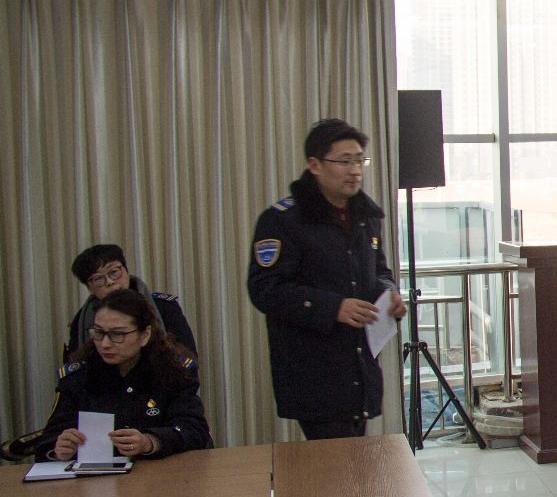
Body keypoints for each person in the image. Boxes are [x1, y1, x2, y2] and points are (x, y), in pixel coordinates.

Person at [248, 118, 406, 441]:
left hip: (360, 365)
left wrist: (390, 294)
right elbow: (266, 289)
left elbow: (379, 271)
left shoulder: (365, 217)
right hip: (314, 372)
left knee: (354, 461)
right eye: (344, 161)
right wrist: (333, 307)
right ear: (315, 165)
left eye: (359, 160)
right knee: (337, 463)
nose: (355, 171)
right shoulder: (283, 220)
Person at [43, 288, 211, 461]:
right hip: (96, 476)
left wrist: (150, 442)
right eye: (98, 332)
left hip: (160, 472)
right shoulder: (78, 377)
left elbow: (194, 430)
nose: (105, 344)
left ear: (145, 335)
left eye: (118, 334)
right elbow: (48, 439)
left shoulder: (173, 372)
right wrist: (59, 449)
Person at [63, 243, 197, 365]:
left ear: (126, 270)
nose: (109, 281)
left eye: (114, 272)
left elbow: (188, 360)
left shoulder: (163, 307)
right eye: (98, 278)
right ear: (89, 287)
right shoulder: (82, 319)